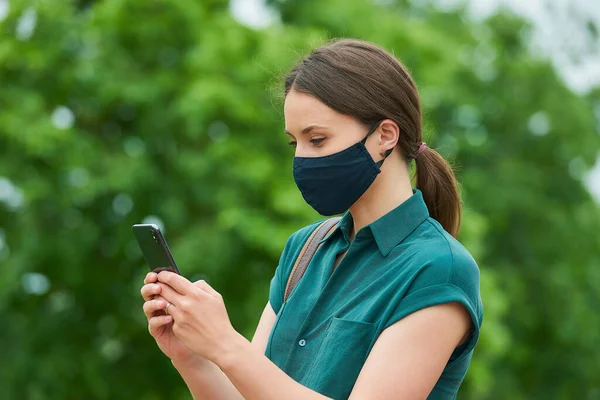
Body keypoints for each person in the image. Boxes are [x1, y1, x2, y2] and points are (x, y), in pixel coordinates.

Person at [140, 38, 483, 400]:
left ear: (385, 135)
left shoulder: (438, 269)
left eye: (317, 140)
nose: (302, 159)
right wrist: (194, 358)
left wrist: (226, 344)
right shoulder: (305, 249)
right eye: (295, 144)